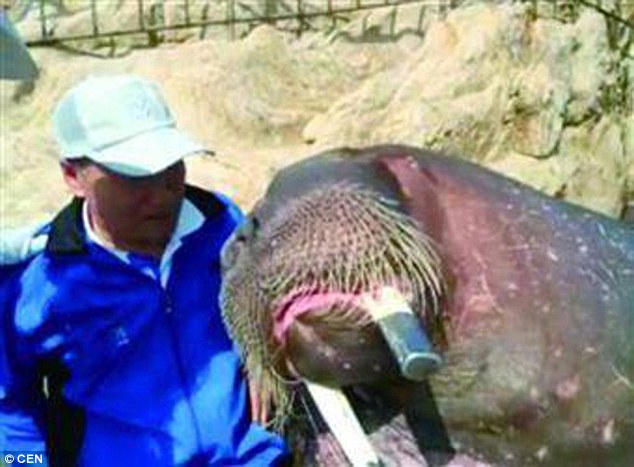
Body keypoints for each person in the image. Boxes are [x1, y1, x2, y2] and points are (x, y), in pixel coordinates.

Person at [0, 74, 289, 466]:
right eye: (134, 175)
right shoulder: (37, 285)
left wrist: (262, 354)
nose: (163, 191)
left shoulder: (221, 224)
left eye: (171, 166)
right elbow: (11, 413)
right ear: (73, 176)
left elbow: (267, 302)